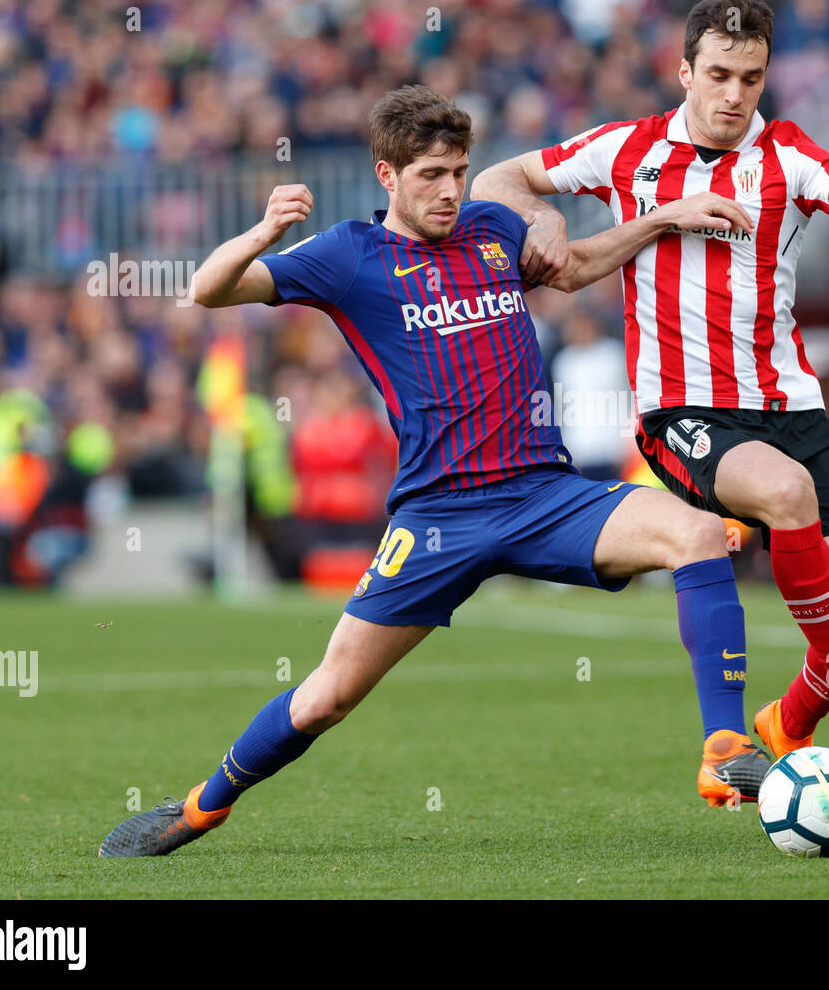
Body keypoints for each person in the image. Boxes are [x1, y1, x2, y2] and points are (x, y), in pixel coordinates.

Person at [98, 86, 770, 857]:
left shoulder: (491, 228)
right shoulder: (348, 255)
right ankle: (201, 805)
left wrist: (658, 220)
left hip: (543, 493)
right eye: (430, 175)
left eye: (458, 170)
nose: (450, 190)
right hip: (439, 517)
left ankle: (724, 747)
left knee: (695, 533)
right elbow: (208, 288)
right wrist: (263, 231)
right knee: (327, 696)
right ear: (387, 175)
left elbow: (576, 265)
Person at [472, 0, 829, 761]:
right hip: (684, 411)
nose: (735, 94)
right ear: (684, 72)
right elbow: (498, 177)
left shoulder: (788, 156)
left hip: (791, 410)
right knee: (787, 496)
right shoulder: (627, 150)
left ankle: (788, 725)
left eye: (752, 78)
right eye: (721, 74)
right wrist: (543, 219)